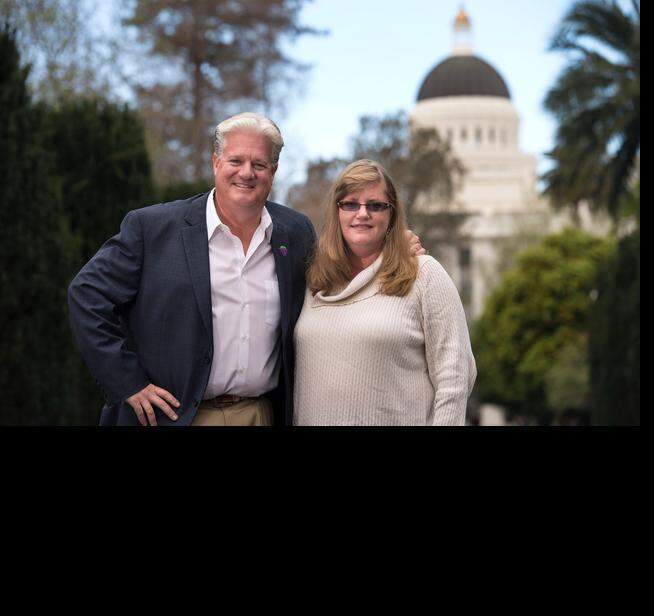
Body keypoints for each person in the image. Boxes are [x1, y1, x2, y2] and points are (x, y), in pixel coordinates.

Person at [67, 113, 424, 427]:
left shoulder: (295, 232)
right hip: (172, 417)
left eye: (259, 164)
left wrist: (393, 246)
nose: (247, 173)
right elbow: (86, 296)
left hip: (259, 415)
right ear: (215, 163)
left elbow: (336, 275)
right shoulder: (154, 229)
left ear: (274, 171)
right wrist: (127, 381)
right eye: (235, 160)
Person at [293, 159, 475, 426]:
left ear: (392, 215)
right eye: (351, 204)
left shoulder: (423, 274)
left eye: (376, 205)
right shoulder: (314, 280)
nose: (362, 213)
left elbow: (455, 375)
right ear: (337, 212)